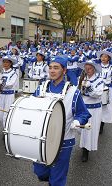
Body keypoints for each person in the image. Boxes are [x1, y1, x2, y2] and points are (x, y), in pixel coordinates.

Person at [33, 56, 91, 186]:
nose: (52, 71)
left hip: (64, 141)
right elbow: (32, 106)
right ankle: (51, 179)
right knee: (40, 171)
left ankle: (55, 181)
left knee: (58, 178)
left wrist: (77, 121)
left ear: (64, 71)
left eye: (56, 68)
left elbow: (83, 113)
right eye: (50, 67)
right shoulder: (41, 88)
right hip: (42, 138)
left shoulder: (73, 92)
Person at [78, 60, 104, 162]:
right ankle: (83, 146)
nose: (87, 70)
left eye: (89, 68)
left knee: (89, 130)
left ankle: (86, 151)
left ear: (94, 69)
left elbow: (98, 94)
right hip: (84, 107)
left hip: (94, 109)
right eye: (86, 68)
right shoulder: (82, 79)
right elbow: (79, 91)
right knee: (81, 129)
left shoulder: (99, 80)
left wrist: (90, 88)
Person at [97, 50, 112, 134]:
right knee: (95, 107)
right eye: (102, 56)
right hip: (96, 90)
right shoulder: (96, 67)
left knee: (104, 108)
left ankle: (101, 125)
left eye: (105, 57)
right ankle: (95, 123)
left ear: (108, 59)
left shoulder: (111, 68)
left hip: (106, 91)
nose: (103, 58)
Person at [0, 55, 18, 128]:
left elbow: (10, 84)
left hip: (9, 96)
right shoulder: (1, 72)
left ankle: (6, 130)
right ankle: (7, 126)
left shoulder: (13, 73)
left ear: (10, 63)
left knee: (6, 114)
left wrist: (1, 83)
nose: (5, 64)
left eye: (7, 62)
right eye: (4, 62)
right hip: (0, 95)